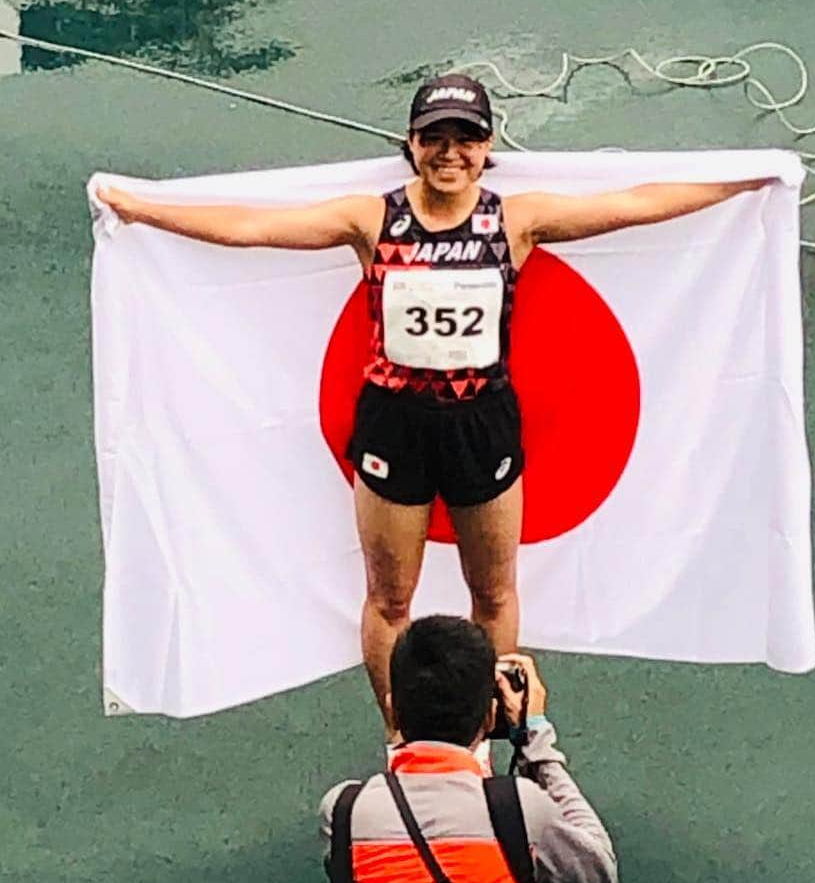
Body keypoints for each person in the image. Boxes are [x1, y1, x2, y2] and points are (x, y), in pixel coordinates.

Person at [96, 73, 769, 742]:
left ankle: (485, 733)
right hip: (395, 427)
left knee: (495, 594)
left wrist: (747, 180)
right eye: (435, 138)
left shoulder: (515, 220)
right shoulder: (372, 219)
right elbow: (254, 228)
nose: (451, 153)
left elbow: (637, 204)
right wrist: (141, 209)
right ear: (411, 144)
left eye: (467, 139)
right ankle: (403, 736)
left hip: (483, 427)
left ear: (488, 145)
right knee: (391, 599)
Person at [319, 615, 618, 883]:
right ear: (489, 717)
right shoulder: (521, 808)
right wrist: (536, 739)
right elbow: (598, 876)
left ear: (392, 710)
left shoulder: (343, 811)